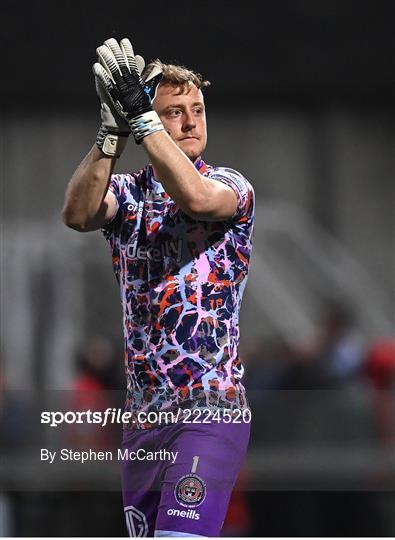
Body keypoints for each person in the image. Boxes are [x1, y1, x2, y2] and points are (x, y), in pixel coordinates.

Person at [62, 37, 254, 537]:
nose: (191, 122)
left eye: (197, 109)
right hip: (144, 418)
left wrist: (142, 119)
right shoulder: (127, 195)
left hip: (211, 408)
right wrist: (111, 132)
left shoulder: (232, 186)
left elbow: (192, 196)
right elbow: (78, 214)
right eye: (174, 112)